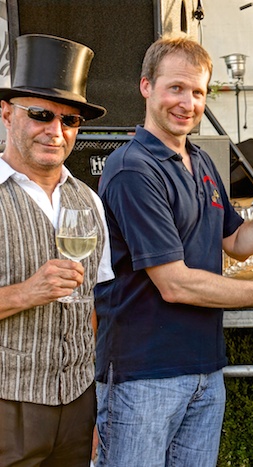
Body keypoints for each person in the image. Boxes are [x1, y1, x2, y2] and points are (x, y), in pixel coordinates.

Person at [94, 34, 253, 466]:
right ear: (146, 87)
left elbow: (235, 243)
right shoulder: (132, 169)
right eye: (175, 88)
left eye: (198, 92)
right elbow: (175, 284)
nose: (187, 102)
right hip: (143, 375)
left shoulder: (200, 161)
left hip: (204, 369)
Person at [0, 34, 112, 465]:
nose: (56, 131)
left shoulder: (89, 201)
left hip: (77, 406)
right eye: (42, 114)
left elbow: (92, 309)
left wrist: (92, 403)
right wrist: (27, 292)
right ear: (6, 113)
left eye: (70, 121)